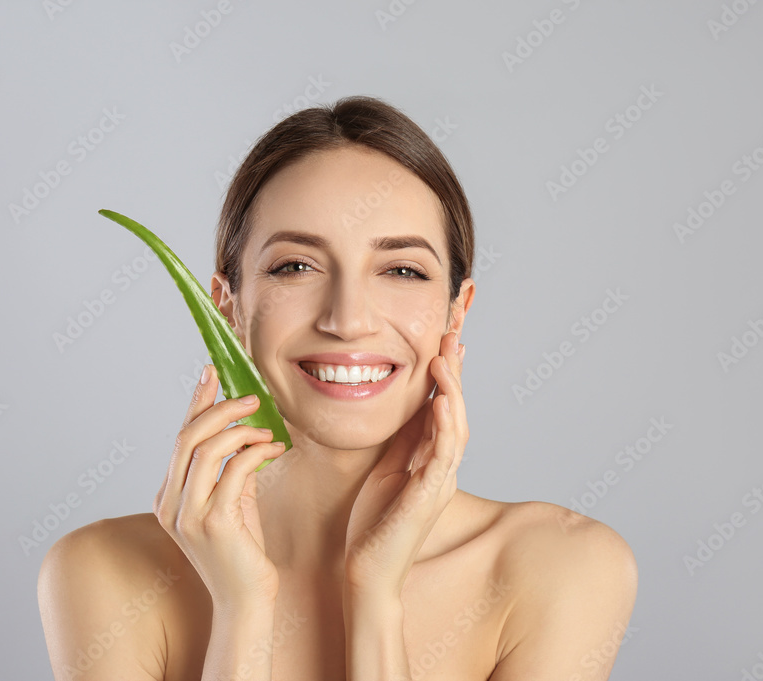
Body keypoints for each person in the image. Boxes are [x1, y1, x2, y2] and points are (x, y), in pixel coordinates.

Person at [37, 95, 638, 681]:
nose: (348, 320)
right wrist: (242, 610)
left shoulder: (562, 567)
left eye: (402, 270)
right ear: (228, 309)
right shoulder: (103, 573)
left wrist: (375, 596)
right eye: (295, 266)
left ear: (457, 311)